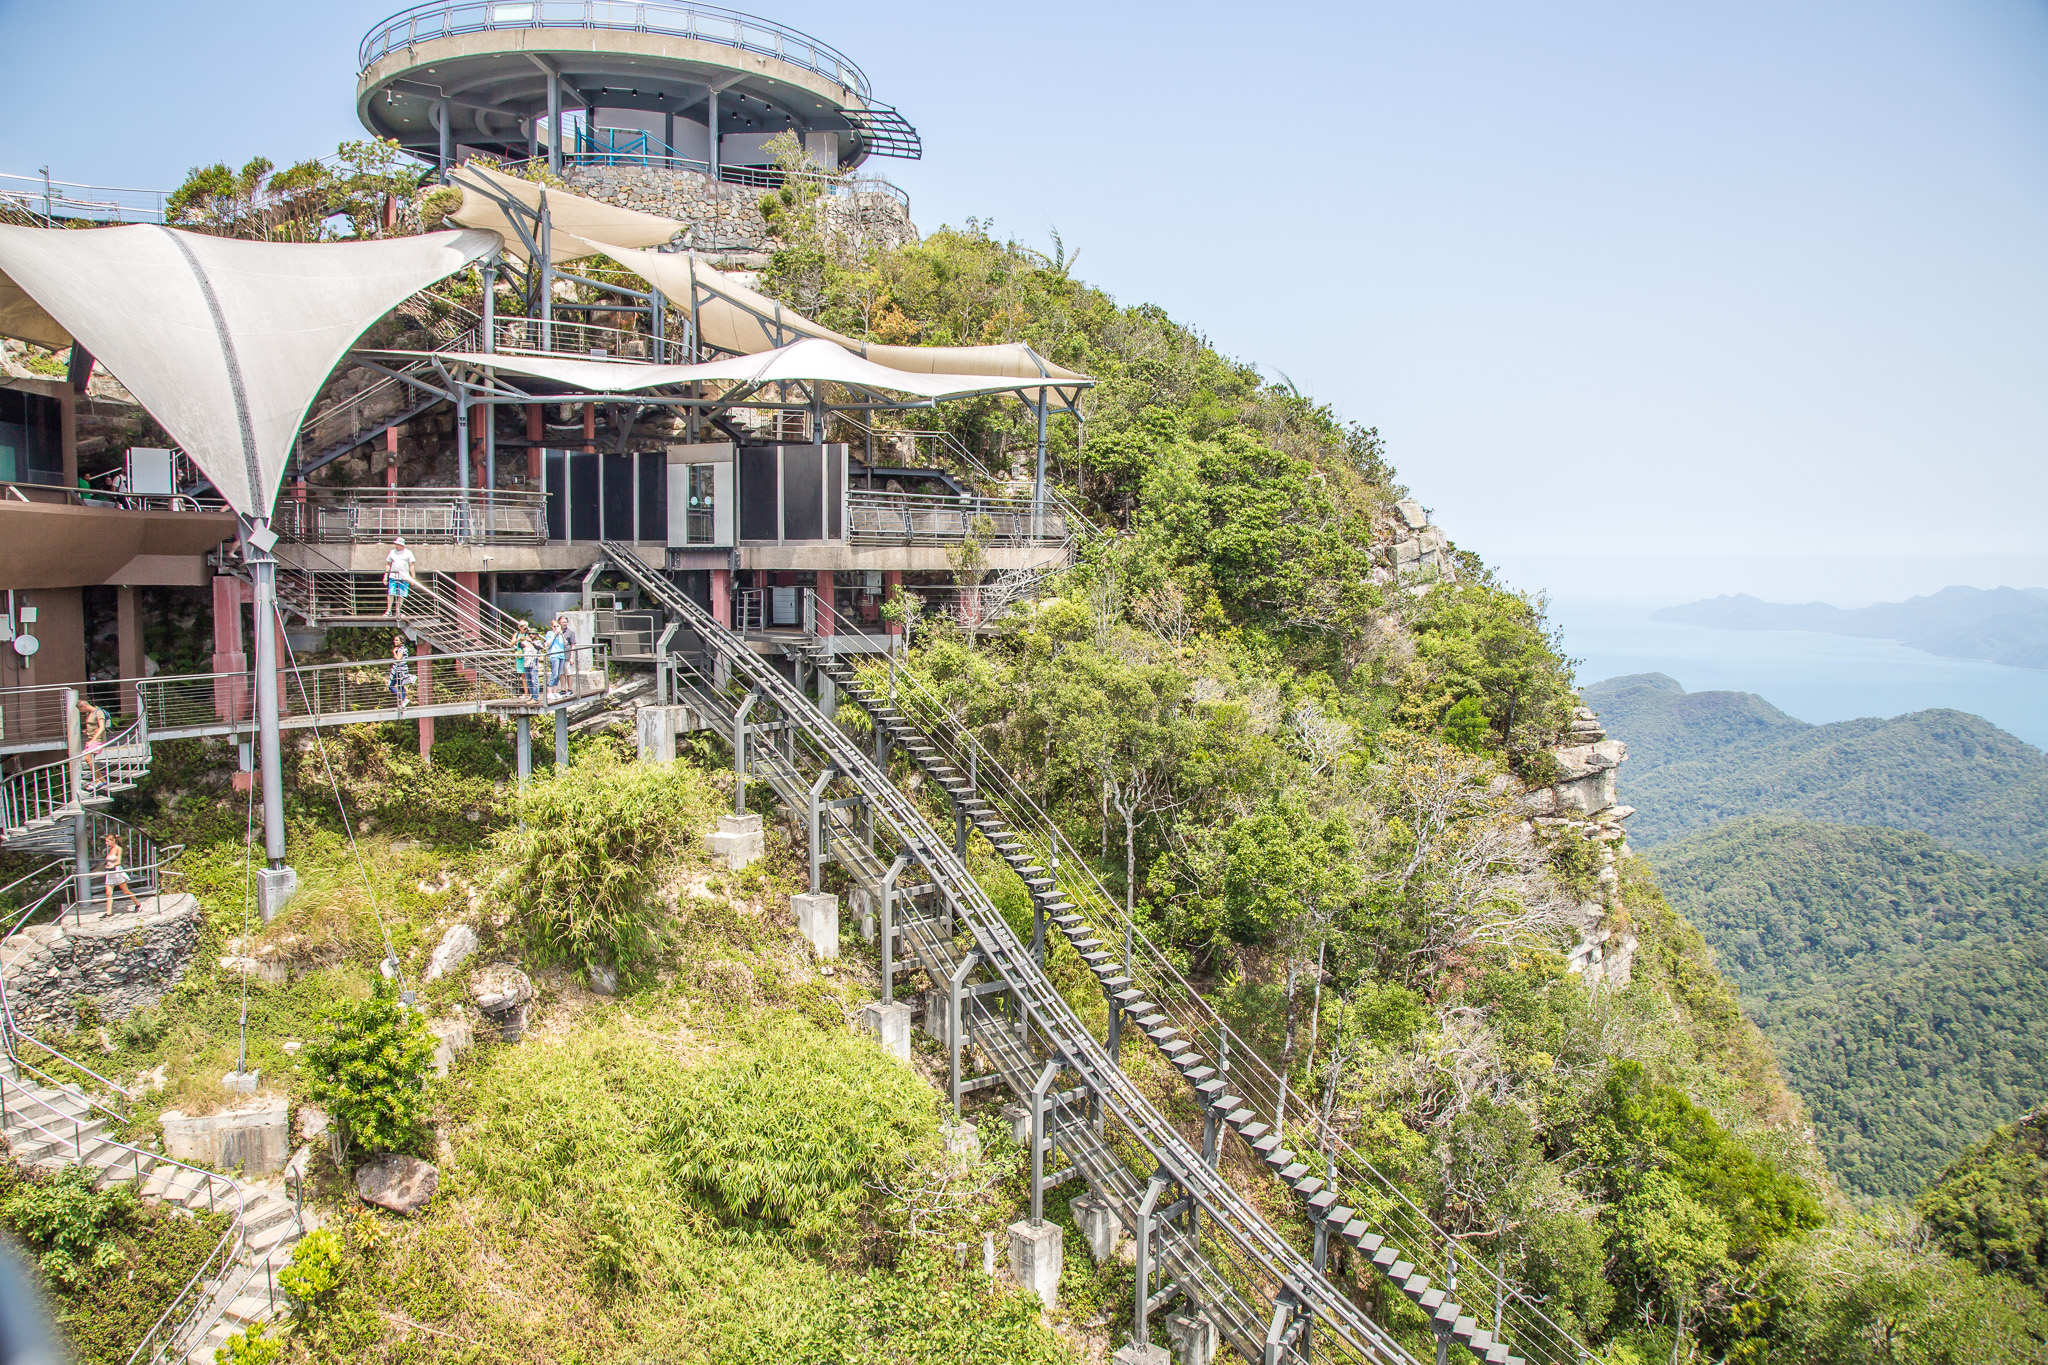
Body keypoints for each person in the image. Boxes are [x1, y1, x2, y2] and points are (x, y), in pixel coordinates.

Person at [101, 834, 141, 917]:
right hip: (110, 872)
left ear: (113, 841)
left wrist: (113, 865)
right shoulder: (110, 849)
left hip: (117, 871)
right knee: (108, 893)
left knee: (125, 891)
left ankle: (137, 904)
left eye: (108, 841)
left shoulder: (118, 849)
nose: (106, 843)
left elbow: (118, 861)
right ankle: (108, 912)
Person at [76, 695, 108, 790]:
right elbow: (93, 726)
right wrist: (87, 731)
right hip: (92, 739)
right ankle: (102, 780)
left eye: (81, 710)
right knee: (90, 760)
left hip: (97, 740)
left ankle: (97, 781)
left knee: (88, 758)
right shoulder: (90, 713)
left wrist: (92, 740)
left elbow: (102, 727)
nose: (81, 712)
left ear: (84, 706)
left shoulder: (98, 712)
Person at [383, 536, 416, 618]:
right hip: (393, 576)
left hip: (404, 577)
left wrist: (413, 577)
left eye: (397, 544)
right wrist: (386, 575)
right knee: (391, 592)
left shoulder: (408, 552)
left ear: (402, 545)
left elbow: (411, 565)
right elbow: (388, 564)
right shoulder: (392, 552)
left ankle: (398, 611)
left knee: (401, 594)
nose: (396, 546)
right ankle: (389, 610)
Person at [544, 618, 569, 699]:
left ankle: (554, 691)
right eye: (554, 626)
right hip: (554, 655)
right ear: (552, 627)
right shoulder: (550, 634)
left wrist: (561, 635)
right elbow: (548, 644)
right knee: (554, 674)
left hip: (561, 655)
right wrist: (554, 635)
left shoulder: (561, 634)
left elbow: (565, 643)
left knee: (558, 674)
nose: (556, 628)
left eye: (557, 626)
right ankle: (549, 691)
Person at [388, 636, 413, 714]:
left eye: (396, 640)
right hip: (401, 669)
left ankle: (403, 699)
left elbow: (398, 659)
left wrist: (394, 652)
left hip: (399, 670)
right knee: (401, 686)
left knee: (391, 686)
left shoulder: (401, 649)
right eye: (394, 640)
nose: (394, 642)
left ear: (401, 641)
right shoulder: (403, 648)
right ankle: (402, 704)